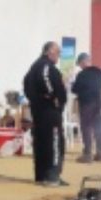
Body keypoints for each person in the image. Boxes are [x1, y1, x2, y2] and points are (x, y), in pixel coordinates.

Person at [23, 42, 68, 186]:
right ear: (49, 52)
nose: (59, 56)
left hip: (41, 111)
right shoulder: (44, 65)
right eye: (58, 53)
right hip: (49, 112)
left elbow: (26, 83)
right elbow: (44, 80)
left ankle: (42, 176)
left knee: (41, 142)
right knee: (53, 142)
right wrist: (52, 96)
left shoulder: (36, 66)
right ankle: (52, 176)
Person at [71, 53, 101, 163]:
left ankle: (87, 154)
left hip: (86, 102)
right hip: (98, 101)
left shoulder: (82, 74)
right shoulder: (99, 72)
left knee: (86, 127)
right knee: (98, 126)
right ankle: (100, 152)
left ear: (83, 62)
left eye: (80, 64)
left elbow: (75, 89)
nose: (80, 66)